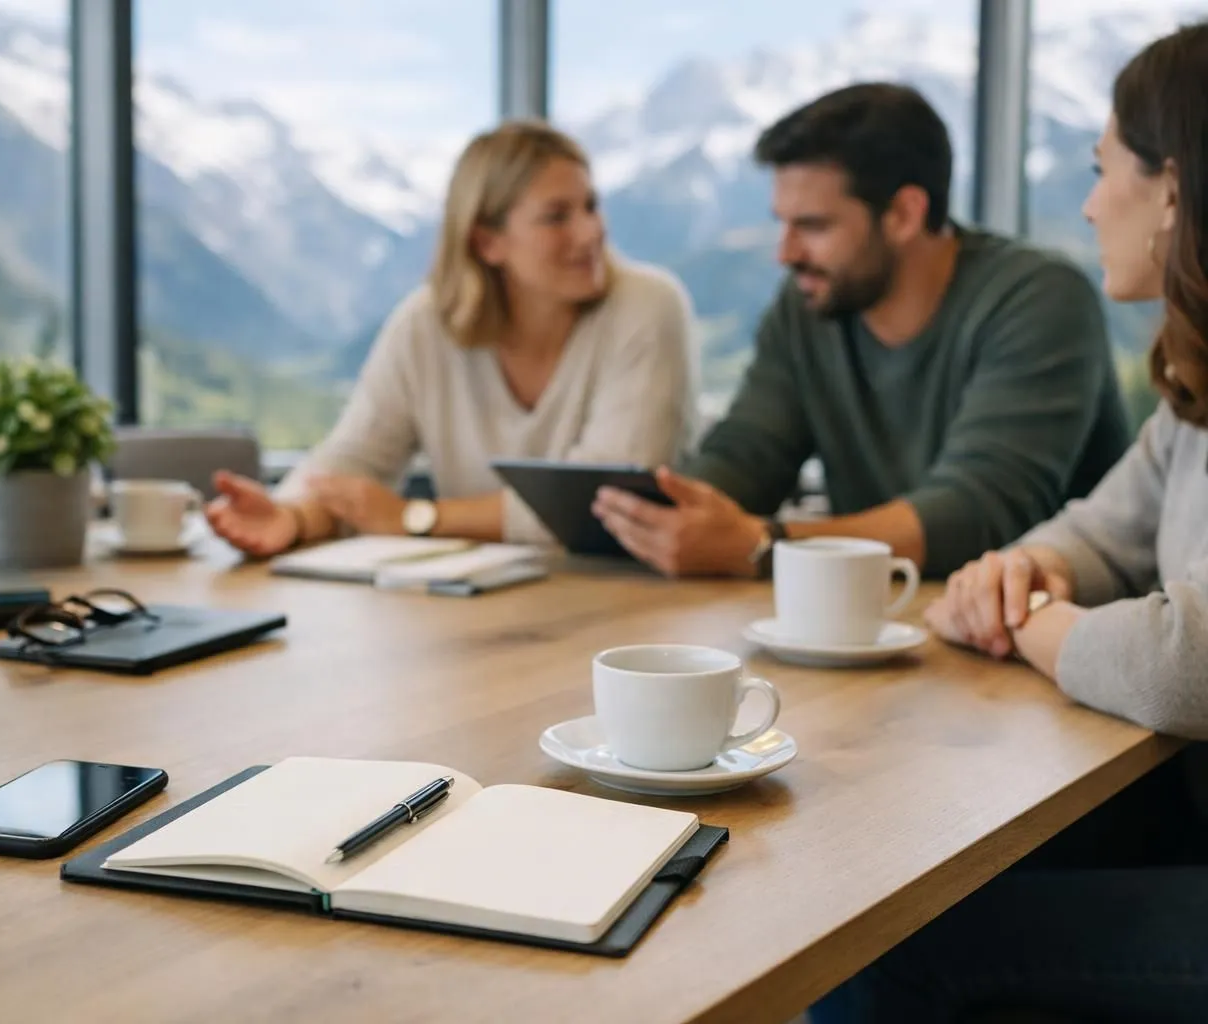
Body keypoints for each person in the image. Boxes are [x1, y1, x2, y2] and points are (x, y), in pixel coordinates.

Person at [815, 22, 1208, 1023]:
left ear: (1172, 191)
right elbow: (1100, 532)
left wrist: (1024, 619)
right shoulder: (1193, 402)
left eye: (1102, 169)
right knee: (900, 882)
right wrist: (1025, 567)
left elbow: (1185, 665)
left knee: (891, 956)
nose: (1087, 203)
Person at [592, 84, 1132, 581]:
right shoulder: (810, 306)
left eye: (813, 226)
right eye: (782, 223)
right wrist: (671, 514)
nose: (786, 253)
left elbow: (977, 512)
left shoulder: (1038, 299)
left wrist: (762, 546)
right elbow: (749, 453)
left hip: (1031, 628)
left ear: (904, 214)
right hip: (880, 618)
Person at [204, 121, 695, 556]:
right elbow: (354, 460)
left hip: (628, 603)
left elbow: (605, 505)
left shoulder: (647, 306)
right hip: (475, 606)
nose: (592, 232)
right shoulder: (425, 324)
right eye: (557, 217)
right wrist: (291, 517)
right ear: (487, 242)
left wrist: (414, 518)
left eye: (591, 206)